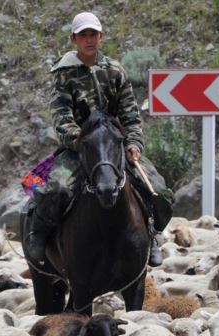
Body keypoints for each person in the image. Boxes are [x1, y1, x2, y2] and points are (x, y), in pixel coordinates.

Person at [24, 11, 173, 267]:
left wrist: (134, 144)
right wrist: (82, 141)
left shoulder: (115, 71)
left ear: (101, 36)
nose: (89, 39)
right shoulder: (64, 73)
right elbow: (61, 119)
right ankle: (39, 235)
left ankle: (151, 235)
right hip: (78, 147)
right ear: (74, 39)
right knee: (49, 187)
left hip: (114, 147)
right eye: (83, 34)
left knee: (156, 187)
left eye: (93, 34)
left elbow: (130, 116)